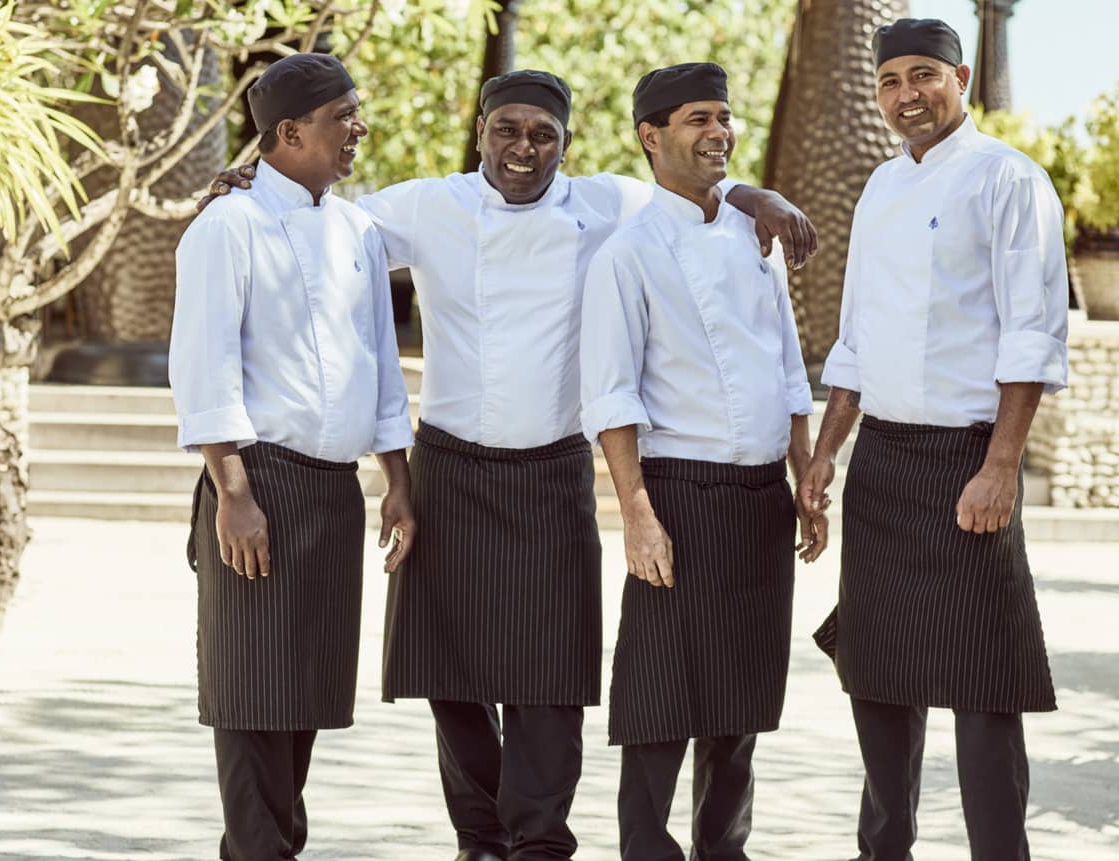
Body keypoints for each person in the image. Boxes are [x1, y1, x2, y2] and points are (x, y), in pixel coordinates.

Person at [200, 68, 817, 861]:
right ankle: (480, 837)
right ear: (482, 132)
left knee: (551, 677)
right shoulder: (425, 206)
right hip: (450, 468)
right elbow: (319, 214)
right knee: (450, 673)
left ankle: (538, 839)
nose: (523, 148)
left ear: (567, 144)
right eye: (506, 130)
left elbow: (687, 186)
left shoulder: (604, 204)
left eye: (542, 134)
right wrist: (249, 177)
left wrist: (751, 196)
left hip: (555, 468)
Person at [797, 18, 1069, 861]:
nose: (906, 95)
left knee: (986, 686)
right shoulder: (879, 188)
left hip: (967, 460)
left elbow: (1032, 335)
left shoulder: (1010, 181)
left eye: (923, 76)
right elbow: (855, 339)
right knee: (877, 676)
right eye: (889, 81)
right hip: (882, 458)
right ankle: (884, 851)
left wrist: (999, 468)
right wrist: (826, 453)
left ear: (959, 77)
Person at [170, 52, 416, 861]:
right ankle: (259, 851)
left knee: (303, 690)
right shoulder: (225, 226)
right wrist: (232, 491)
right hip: (257, 481)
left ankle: (270, 846)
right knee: (248, 692)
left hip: (333, 493)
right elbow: (205, 369)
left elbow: (381, 367)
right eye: (343, 116)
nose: (358, 129)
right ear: (287, 132)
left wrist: (397, 484)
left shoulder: (355, 231)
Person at [579, 62, 825, 861]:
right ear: (651, 137)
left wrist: (803, 476)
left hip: (760, 497)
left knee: (741, 699)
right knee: (659, 696)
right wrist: (638, 515)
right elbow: (612, 398)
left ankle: (726, 850)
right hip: (678, 495)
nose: (717, 131)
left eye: (723, 116)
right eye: (697, 119)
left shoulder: (756, 235)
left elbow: (788, 367)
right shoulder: (628, 253)